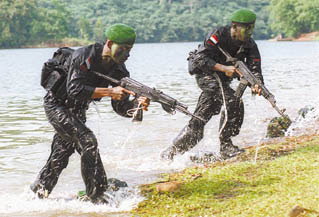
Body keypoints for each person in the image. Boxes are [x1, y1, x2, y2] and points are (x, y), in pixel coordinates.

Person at [31, 24, 149, 204]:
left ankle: (37, 194)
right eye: (123, 49)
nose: (127, 54)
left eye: (130, 50)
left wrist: (136, 105)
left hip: (78, 111)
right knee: (88, 141)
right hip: (57, 106)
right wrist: (110, 92)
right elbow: (74, 89)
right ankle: (96, 196)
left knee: (60, 156)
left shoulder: (119, 70)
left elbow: (119, 107)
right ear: (109, 43)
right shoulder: (85, 55)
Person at [161, 9, 263, 160]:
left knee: (198, 122)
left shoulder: (250, 45)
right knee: (232, 100)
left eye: (251, 28)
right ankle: (226, 145)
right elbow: (199, 59)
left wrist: (257, 84)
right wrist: (223, 68)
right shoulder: (218, 35)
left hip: (222, 81)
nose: (249, 32)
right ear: (234, 26)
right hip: (206, 76)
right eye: (246, 28)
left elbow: (255, 69)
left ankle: (170, 155)